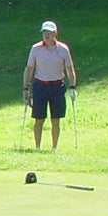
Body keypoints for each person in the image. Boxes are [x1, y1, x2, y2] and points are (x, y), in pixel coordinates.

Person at [23, 20, 77, 150]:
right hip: (40, 86)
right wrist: (26, 87)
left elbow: (69, 69)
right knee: (39, 118)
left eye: (49, 32)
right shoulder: (36, 49)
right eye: (44, 32)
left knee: (56, 119)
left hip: (57, 86)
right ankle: (37, 147)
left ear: (55, 33)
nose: (46, 35)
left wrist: (72, 87)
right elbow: (29, 69)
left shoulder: (63, 49)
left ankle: (54, 148)